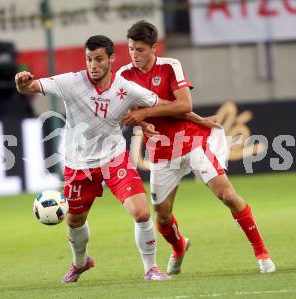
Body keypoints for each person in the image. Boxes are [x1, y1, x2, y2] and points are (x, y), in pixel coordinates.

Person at [15, 35, 180, 283]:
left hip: (114, 159)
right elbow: (30, 88)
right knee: (74, 220)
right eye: (89, 59)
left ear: (112, 59)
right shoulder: (71, 82)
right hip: (78, 163)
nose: (93, 65)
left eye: (99, 59)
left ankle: (151, 269)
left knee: (142, 213)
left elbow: (164, 104)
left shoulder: (126, 89)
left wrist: (146, 116)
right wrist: (22, 82)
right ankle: (80, 263)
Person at [120, 20, 276, 275]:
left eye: (139, 49)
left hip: (191, 142)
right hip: (160, 151)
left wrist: (147, 112)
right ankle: (179, 247)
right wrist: (141, 124)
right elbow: (127, 111)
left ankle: (262, 253)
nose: (134, 55)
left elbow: (184, 105)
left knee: (226, 195)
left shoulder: (170, 67)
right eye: (130, 49)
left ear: (153, 48)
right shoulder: (124, 76)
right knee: (162, 217)